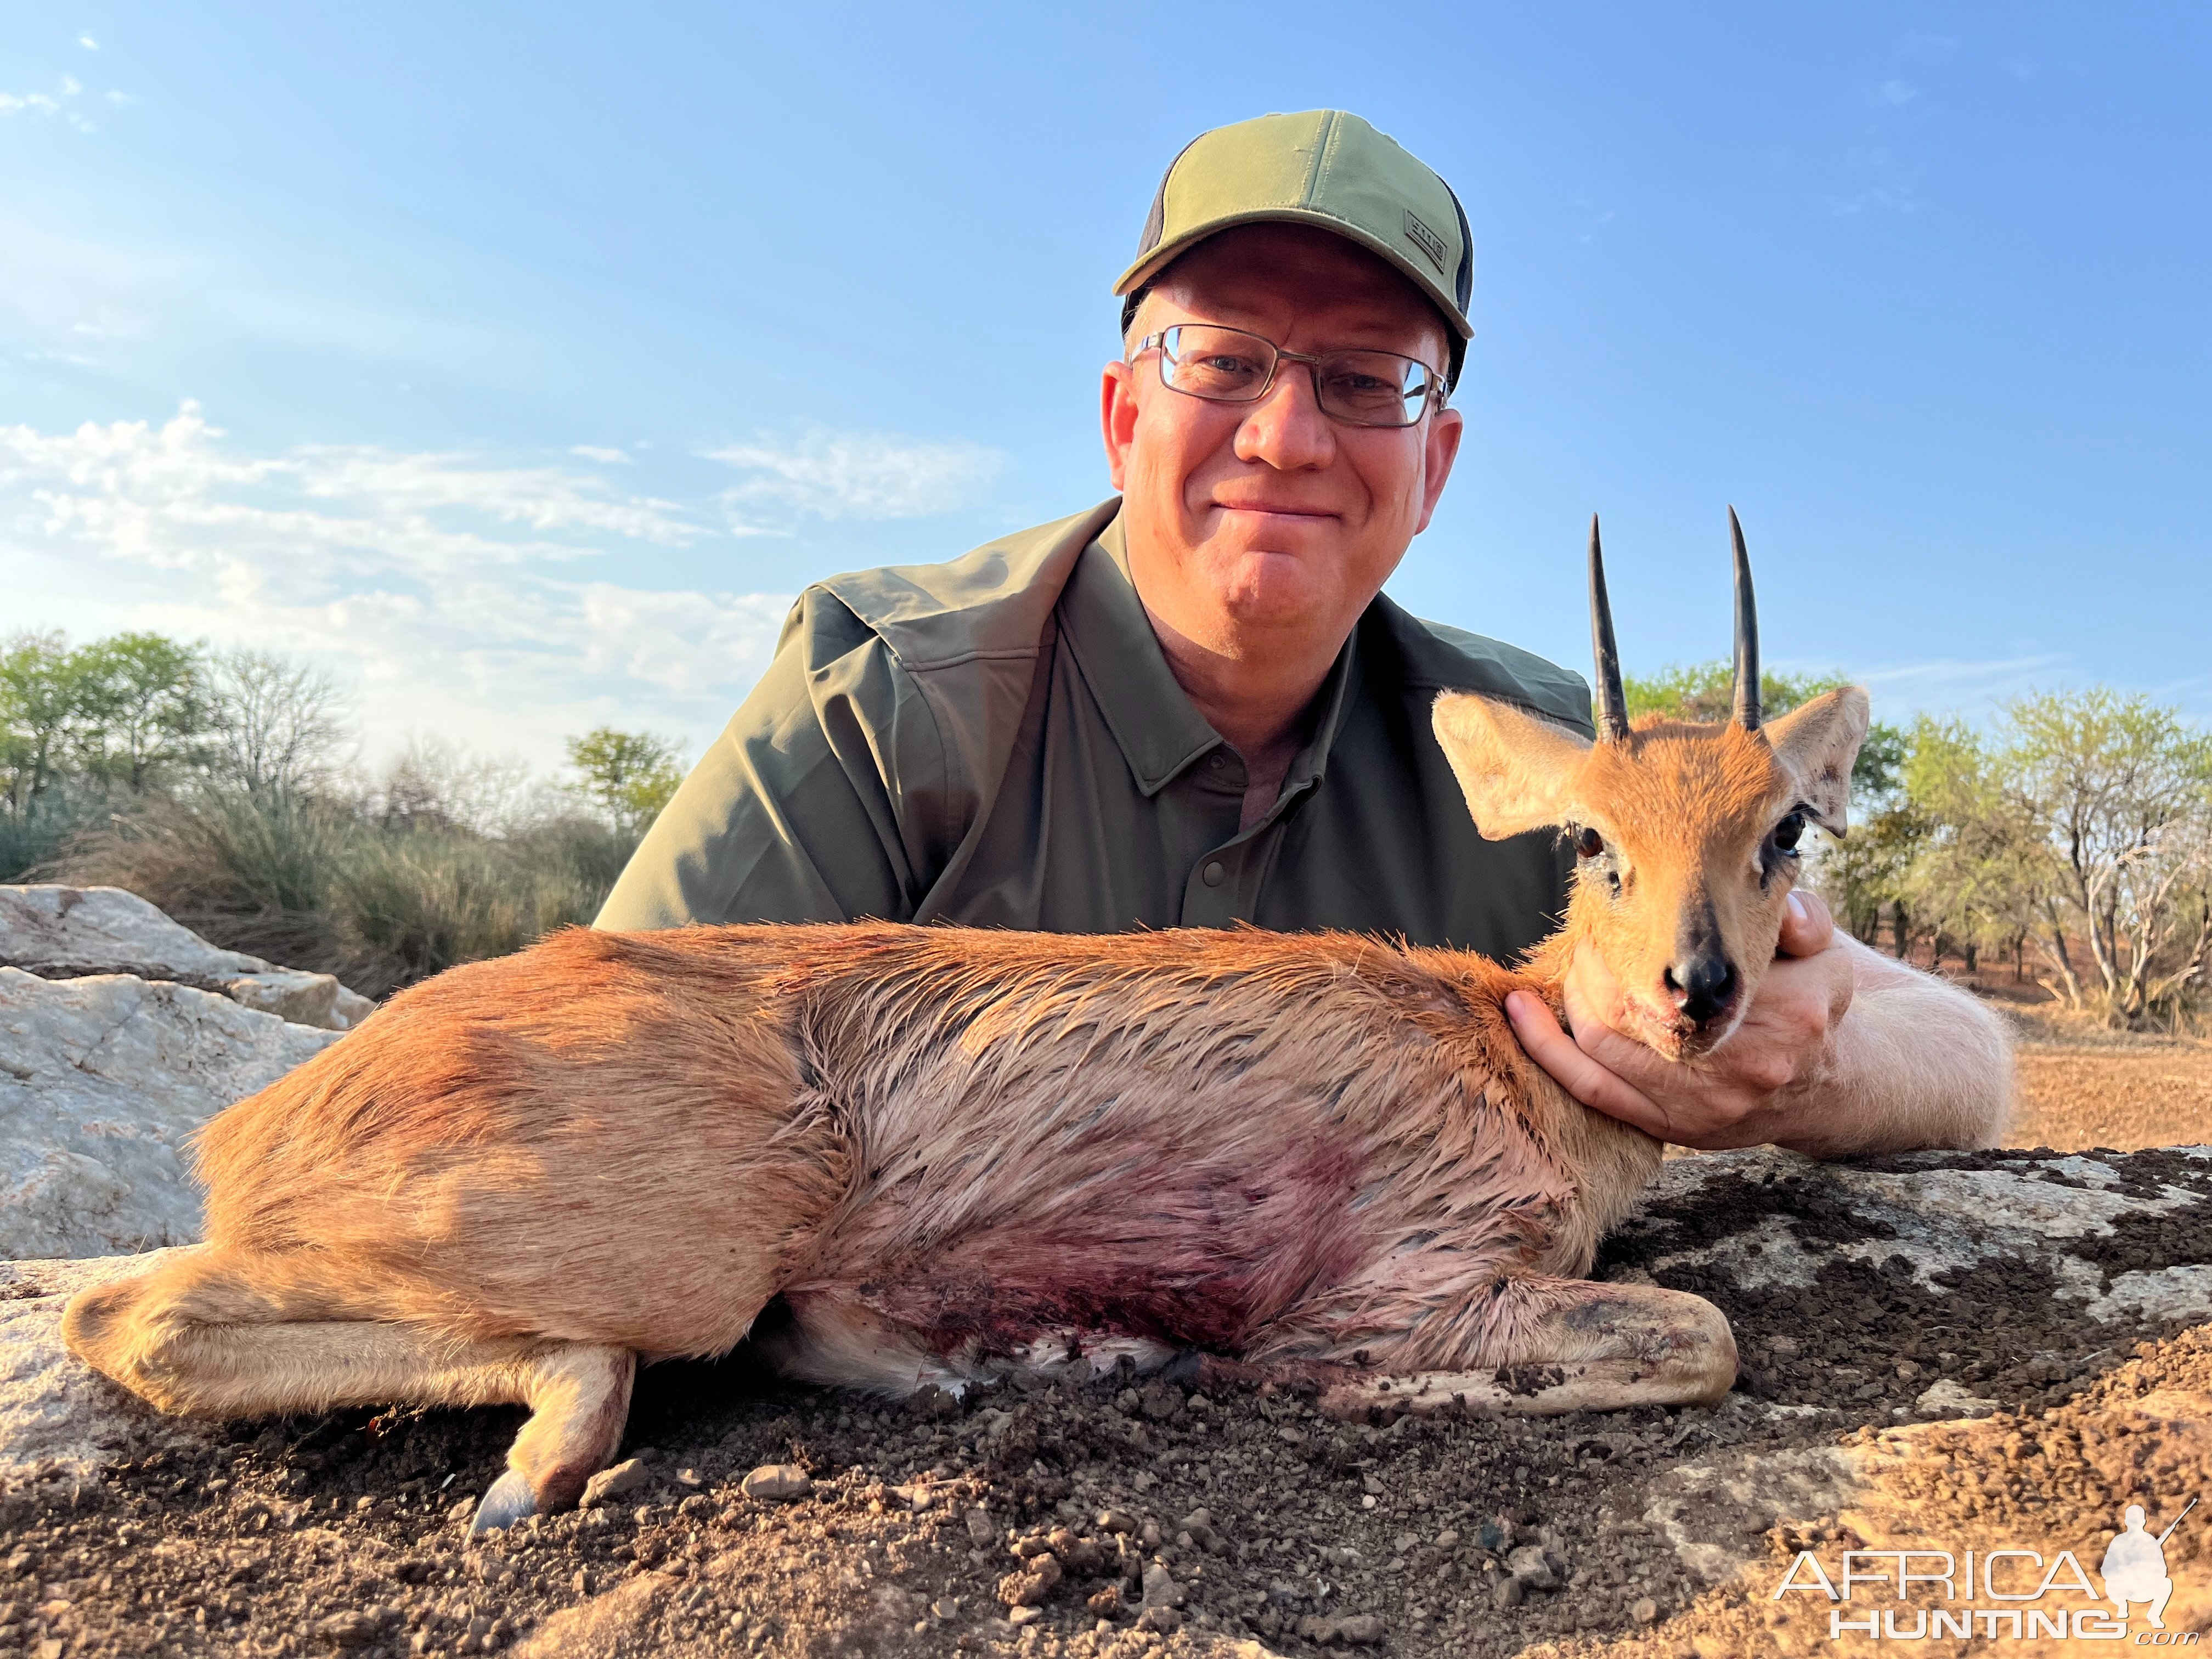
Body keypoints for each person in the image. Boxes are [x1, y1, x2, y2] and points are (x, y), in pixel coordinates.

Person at [597, 109, 2010, 1156]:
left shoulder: (1554, 764)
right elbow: (603, 1051)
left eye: (1363, 380)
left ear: (1436, 466)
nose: (1283, 438)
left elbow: (1963, 1057)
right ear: (1123, 415)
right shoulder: (889, 694)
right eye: (1221, 362)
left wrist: (1808, 1063)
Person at [2101, 1504, 2175, 1628]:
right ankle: (2122, 1606)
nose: (2134, 1524)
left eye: (2137, 1521)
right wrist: (2122, 1570)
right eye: (2132, 1521)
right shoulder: (2118, 1542)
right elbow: (2106, 1571)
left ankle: (2154, 1615)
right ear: (2126, 1522)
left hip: (2143, 1588)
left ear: (2143, 1522)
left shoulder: (2150, 1542)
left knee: (2167, 1584)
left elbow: (2163, 1571)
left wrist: (2144, 1569)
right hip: (2122, 1589)